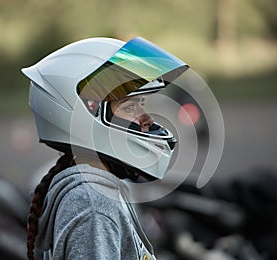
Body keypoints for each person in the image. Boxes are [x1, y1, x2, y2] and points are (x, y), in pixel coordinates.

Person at [22, 36, 189, 259]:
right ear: (86, 115)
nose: (147, 119)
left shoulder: (93, 191)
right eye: (130, 107)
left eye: (142, 104)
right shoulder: (93, 206)